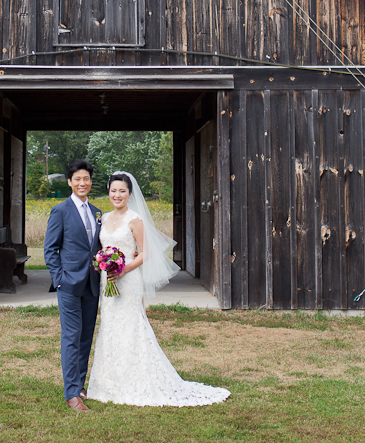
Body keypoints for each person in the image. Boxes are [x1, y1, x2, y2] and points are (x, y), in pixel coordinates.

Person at [87, 171, 230, 407]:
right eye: (113, 190)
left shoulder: (134, 220)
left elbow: (146, 252)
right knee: (110, 326)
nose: (117, 195)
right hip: (107, 281)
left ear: (130, 194)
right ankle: (108, 383)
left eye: (122, 191)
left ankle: (137, 380)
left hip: (128, 279)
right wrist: (104, 264)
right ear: (108, 192)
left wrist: (123, 269)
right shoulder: (103, 218)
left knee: (131, 326)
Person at [44, 159, 102, 412]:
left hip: (92, 284)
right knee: (71, 336)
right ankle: (71, 394)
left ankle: (79, 384)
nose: (82, 183)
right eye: (77, 179)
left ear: (91, 182)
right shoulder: (60, 211)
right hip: (68, 284)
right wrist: (60, 279)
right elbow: (50, 249)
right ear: (70, 182)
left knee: (85, 337)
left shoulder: (98, 212)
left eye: (86, 179)